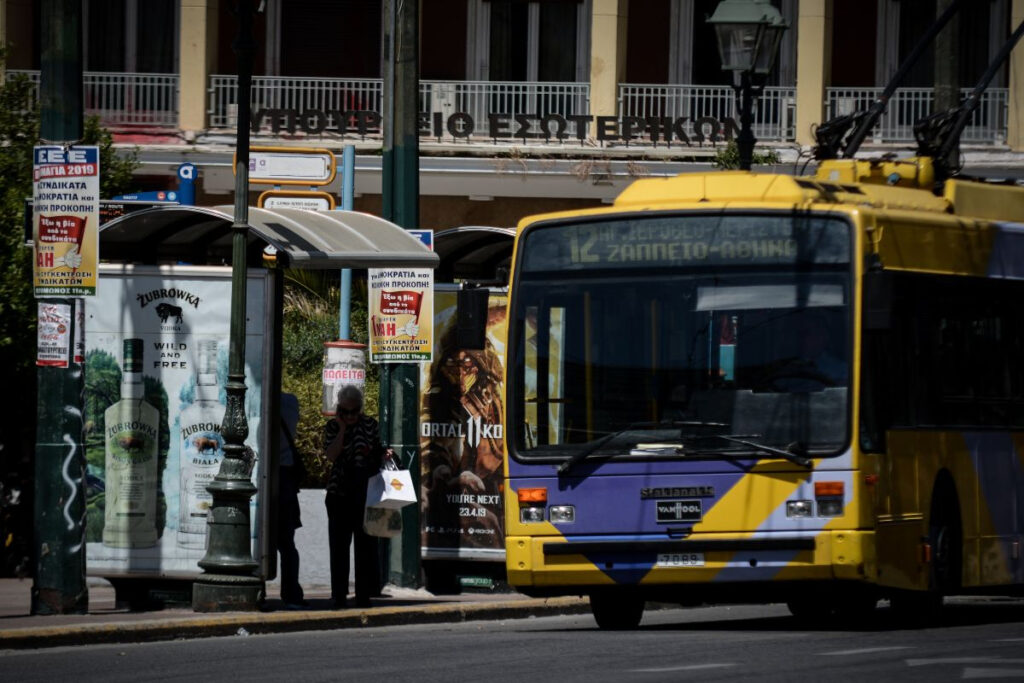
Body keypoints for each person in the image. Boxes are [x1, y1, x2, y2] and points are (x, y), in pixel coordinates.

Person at [323, 385, 387, 608]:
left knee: (365, 547)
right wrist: (341, 429)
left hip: (365, 493)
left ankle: (363, 594)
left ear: (360, 408)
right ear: (339, 409)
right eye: (345, 411)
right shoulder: (332, 427)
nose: (350, 416)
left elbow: (377, 450)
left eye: (354, 411)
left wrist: (382, 453)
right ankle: (338, 594)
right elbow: (331, 455)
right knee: (339, 547)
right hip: (339, 492)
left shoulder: (370, 425)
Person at [277, 391, 306, 610]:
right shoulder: (291, 401)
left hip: (271, 473)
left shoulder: (262, 399)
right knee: (287, 542)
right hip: (287, 476)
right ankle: (291, 592)